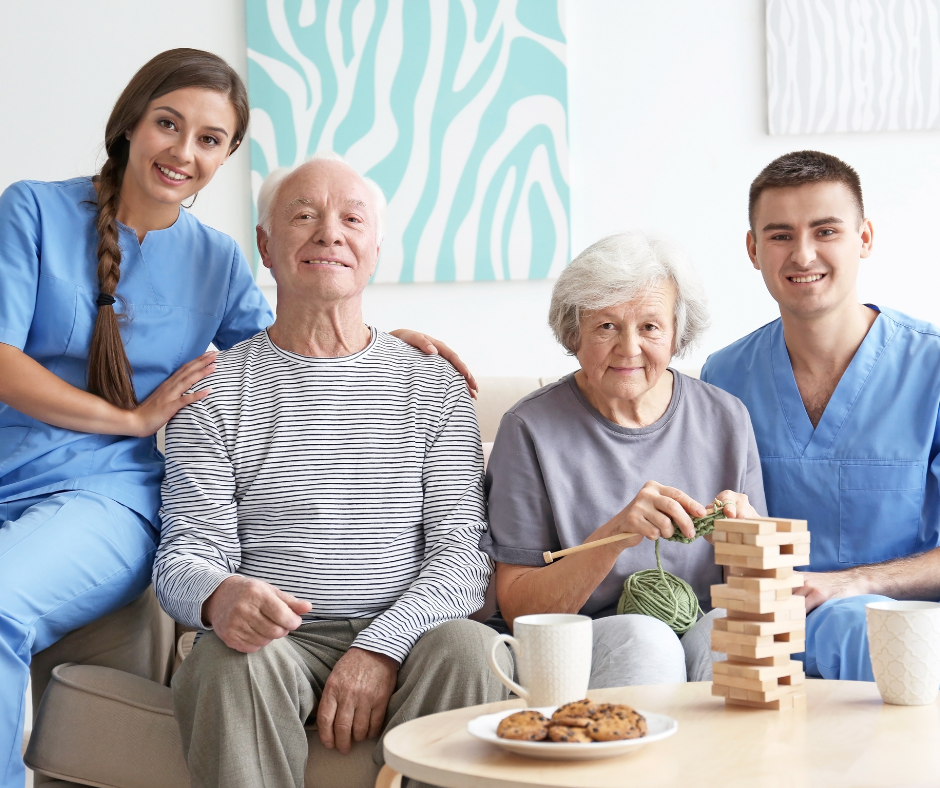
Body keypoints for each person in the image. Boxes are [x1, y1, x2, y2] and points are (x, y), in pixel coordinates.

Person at [0, 49, 472, 788]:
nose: (184, 151)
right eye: (168, 123)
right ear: (130, 123)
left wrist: (396, 347)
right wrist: (127, 419)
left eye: (211, 139)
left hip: (102, 497)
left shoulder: (217, 262)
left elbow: (305, 334)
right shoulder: (33, 209)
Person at [154, 152, 509, 788]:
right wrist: (217, 595)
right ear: (266, 245)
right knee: (222, 661)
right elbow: (183, 559)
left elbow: (464, 559)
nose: (329, 233)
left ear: (375, 248)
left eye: (351, 218)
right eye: (303, 217)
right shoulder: (215, 393)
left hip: (411, 639)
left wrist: (381, 645)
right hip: (275, 648)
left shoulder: (433, 385)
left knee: (469, 647)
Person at [481, 231, 767, 686]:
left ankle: (734, 759)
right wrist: (615, 535)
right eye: (606, 326)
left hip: (701, 625)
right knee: (645, 637)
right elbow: (518, 610)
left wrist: (751, 540)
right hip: (593, 638)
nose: (629, 348)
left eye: (650, 327)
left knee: (734, 631)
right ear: (574, 334)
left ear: (677, 334)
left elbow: (760, 592)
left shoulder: (726, 417)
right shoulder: (529, 429)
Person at [701, 150, 940, 682]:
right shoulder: (724, 375)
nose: (803, 254)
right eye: (780, 235)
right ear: (753, 249)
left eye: (826, 230)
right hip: (767, 626)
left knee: (853, 628)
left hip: (898, 629)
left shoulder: (932, 368)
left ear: (865, 239)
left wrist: (848, 584)